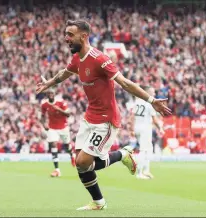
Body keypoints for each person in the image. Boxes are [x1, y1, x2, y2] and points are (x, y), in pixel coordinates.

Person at [36, 19, 172, 210]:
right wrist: (48, 83)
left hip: (106, 119)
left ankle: (122, 154)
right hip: (89, 117)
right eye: (65, 34)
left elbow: (125, 83)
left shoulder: (100, 59)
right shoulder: (77, 59)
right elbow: (63, 74)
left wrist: (151, 100)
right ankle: (98, 202)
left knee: (84, 161)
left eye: (70, 34)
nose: (66, 38)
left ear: (83, 36)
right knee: (80, 164)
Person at [130, 86, 165, 179]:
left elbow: (132, 116)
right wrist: (160, 128)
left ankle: (146, 170)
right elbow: (155, 120)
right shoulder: (150, 103)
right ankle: (139, 173)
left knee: (148, 149)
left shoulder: (137, 102)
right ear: (147, 93)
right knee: (143, 150)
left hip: (137, 127)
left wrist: (131, 129)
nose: (154, 94)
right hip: (145, 129)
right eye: (152, 92)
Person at [41, 89, 75, 177]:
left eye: (51, 93)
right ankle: (57, 170)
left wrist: (59, 109)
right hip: (52, 128)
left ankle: (72, 156)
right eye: (48, 93)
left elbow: (68, 114)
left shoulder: (61, 102)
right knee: (53, 144)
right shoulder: (44, 104)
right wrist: (44, 124)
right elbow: (42, 116)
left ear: (54, 94)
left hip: (63, 127)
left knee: (67, 145)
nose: (50, 94)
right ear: (47, 95)